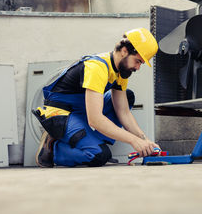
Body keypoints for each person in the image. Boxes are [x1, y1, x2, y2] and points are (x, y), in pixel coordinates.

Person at [33, 28, 160, 167]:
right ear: (124, 51)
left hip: (83, 111)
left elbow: (123, 112)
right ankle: (55, 147)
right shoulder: (97, 68)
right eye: (137, 61)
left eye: (141, 63)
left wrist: (145, 140)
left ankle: (96, 144)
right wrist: (133, 140)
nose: (138, 67)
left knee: (127, 96)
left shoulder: (121, 71)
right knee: (98, 156)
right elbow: (95, 120)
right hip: (63, 112)